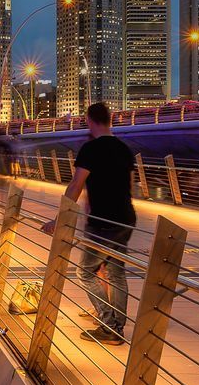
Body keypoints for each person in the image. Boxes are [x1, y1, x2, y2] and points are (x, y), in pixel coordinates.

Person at [43, 101, 135, 345]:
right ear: (109, 120)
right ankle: (116, 327)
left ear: (90, 120)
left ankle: (108, 325)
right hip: (126, 217)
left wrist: (59, 218)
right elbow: (129, 186)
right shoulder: (124, 148)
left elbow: (76, 185)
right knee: (116, 272)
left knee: (85, 272)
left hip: (102, 220)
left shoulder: (91, 149)